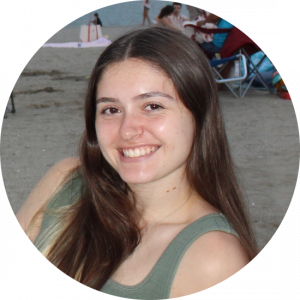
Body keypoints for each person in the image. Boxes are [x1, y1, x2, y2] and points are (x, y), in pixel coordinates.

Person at [16, 27, 258, 299]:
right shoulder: (65, 182)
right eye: (111, 109)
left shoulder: (212, 258)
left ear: (199, 114)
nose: (127, 130)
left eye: (152, 106)